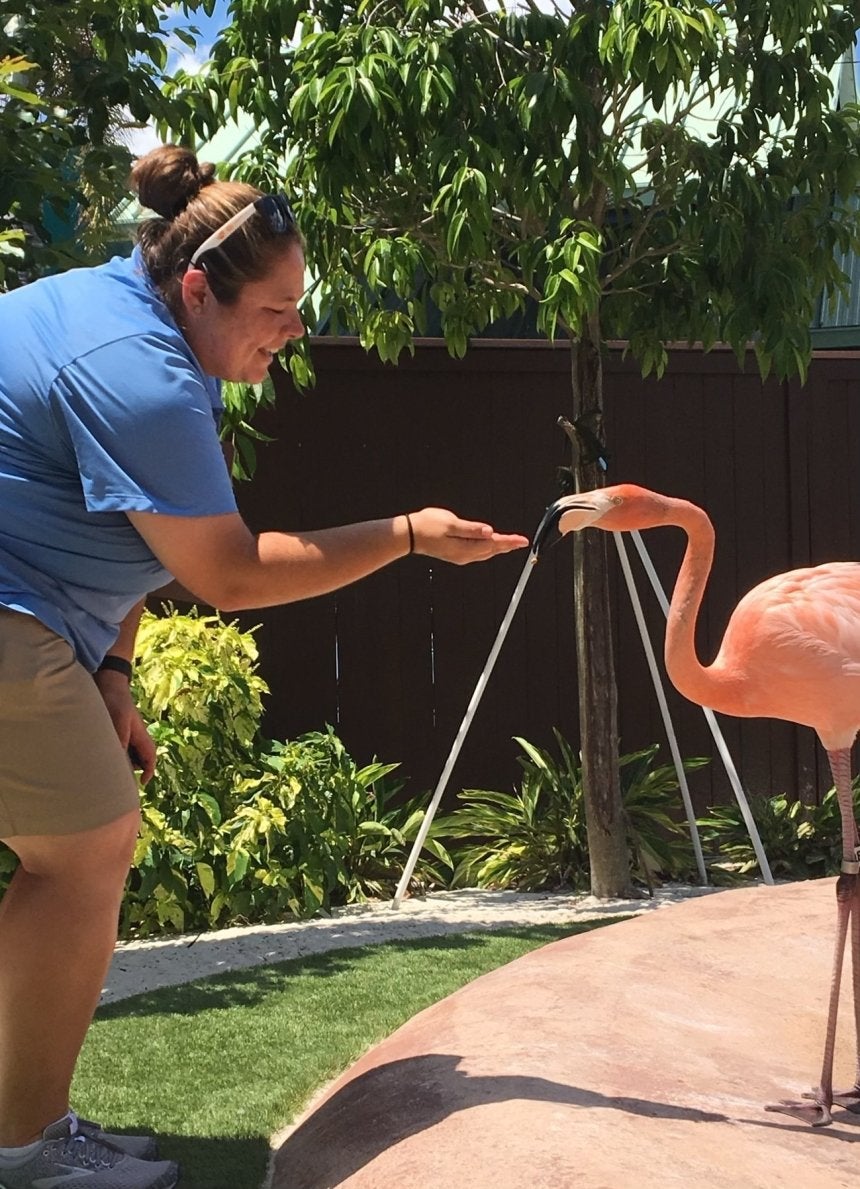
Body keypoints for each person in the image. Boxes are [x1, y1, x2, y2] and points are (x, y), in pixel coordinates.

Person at [0, 144, 529, 1188]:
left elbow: (126, 530)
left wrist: (110, 676)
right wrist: (408, 534)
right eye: (277, 311)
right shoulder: (136, 370)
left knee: (75, 844)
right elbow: (228, 576)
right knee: (86, 847)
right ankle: (26, 1144)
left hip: (38, 613)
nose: (296, 332)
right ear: (198, 286)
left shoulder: (123, 315)